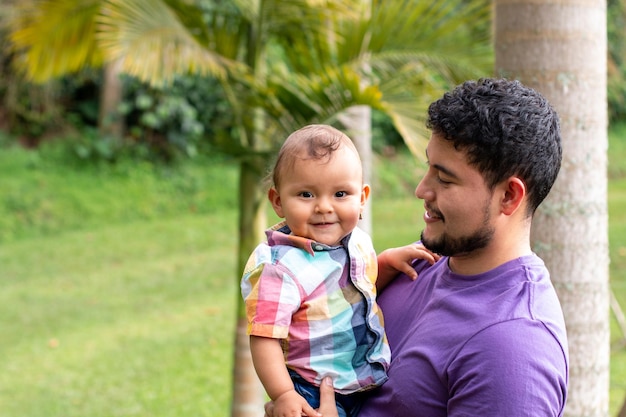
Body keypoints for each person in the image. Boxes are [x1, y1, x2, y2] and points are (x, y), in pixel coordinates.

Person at [265, 78, 570, 417]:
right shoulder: (420, 262)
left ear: (509, 196)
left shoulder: (513, 349)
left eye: (445, 178)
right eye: (428, 167)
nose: (421, 189)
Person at [241, 124, 439, 417]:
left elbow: (360, 286)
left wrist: (385, 262)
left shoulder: (356, 242)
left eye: (340, 193)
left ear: (362, 198)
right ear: (278, 201)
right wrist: (283, 394)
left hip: (362, 382)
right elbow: (264, 337)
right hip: (310, 390)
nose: (324, 207)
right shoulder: (280, 268)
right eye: (306, 195)